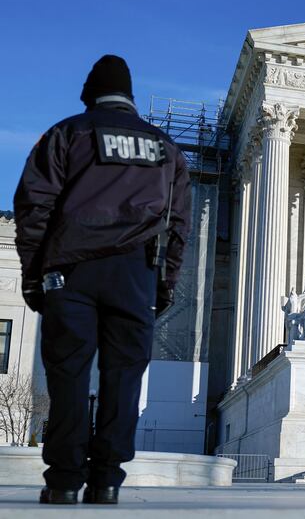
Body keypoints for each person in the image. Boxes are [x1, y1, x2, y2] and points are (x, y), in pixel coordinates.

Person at [13, 55, 191, 505]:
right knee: (124, 376)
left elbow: (35, 208)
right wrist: (163, 283)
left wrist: (33, 276)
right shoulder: (166, 148)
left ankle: (63, 481)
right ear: (129, 96)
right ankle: (108, 480)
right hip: (136, 272)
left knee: (69, 373)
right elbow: (179, 226)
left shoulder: (66, 133)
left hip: (71, 270)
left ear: (90, 93)